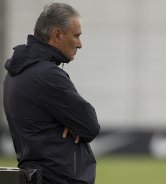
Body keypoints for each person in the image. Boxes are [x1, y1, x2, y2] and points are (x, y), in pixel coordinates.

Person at [3, 3, 100, 184]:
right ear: (57, 35)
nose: (80, 44)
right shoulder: (46, 74)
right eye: (76, 36)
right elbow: (90, 125)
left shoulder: (17, 71)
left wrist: (71, 122)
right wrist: (72, 124)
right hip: (58, 178)